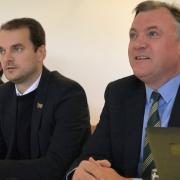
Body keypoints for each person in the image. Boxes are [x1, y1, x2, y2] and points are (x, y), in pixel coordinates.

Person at [68, 1, 180, 180]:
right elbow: (92, 156)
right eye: (133, 35)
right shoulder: (119, 93)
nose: (138, 44)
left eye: (152, 33)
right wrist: (82, 173)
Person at [0, 17, 90, 180]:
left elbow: (56, 166)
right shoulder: (2, 95)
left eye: (17, 49)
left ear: (40, 53)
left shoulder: (69, 94)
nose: (7, 59)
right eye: (2, 51)